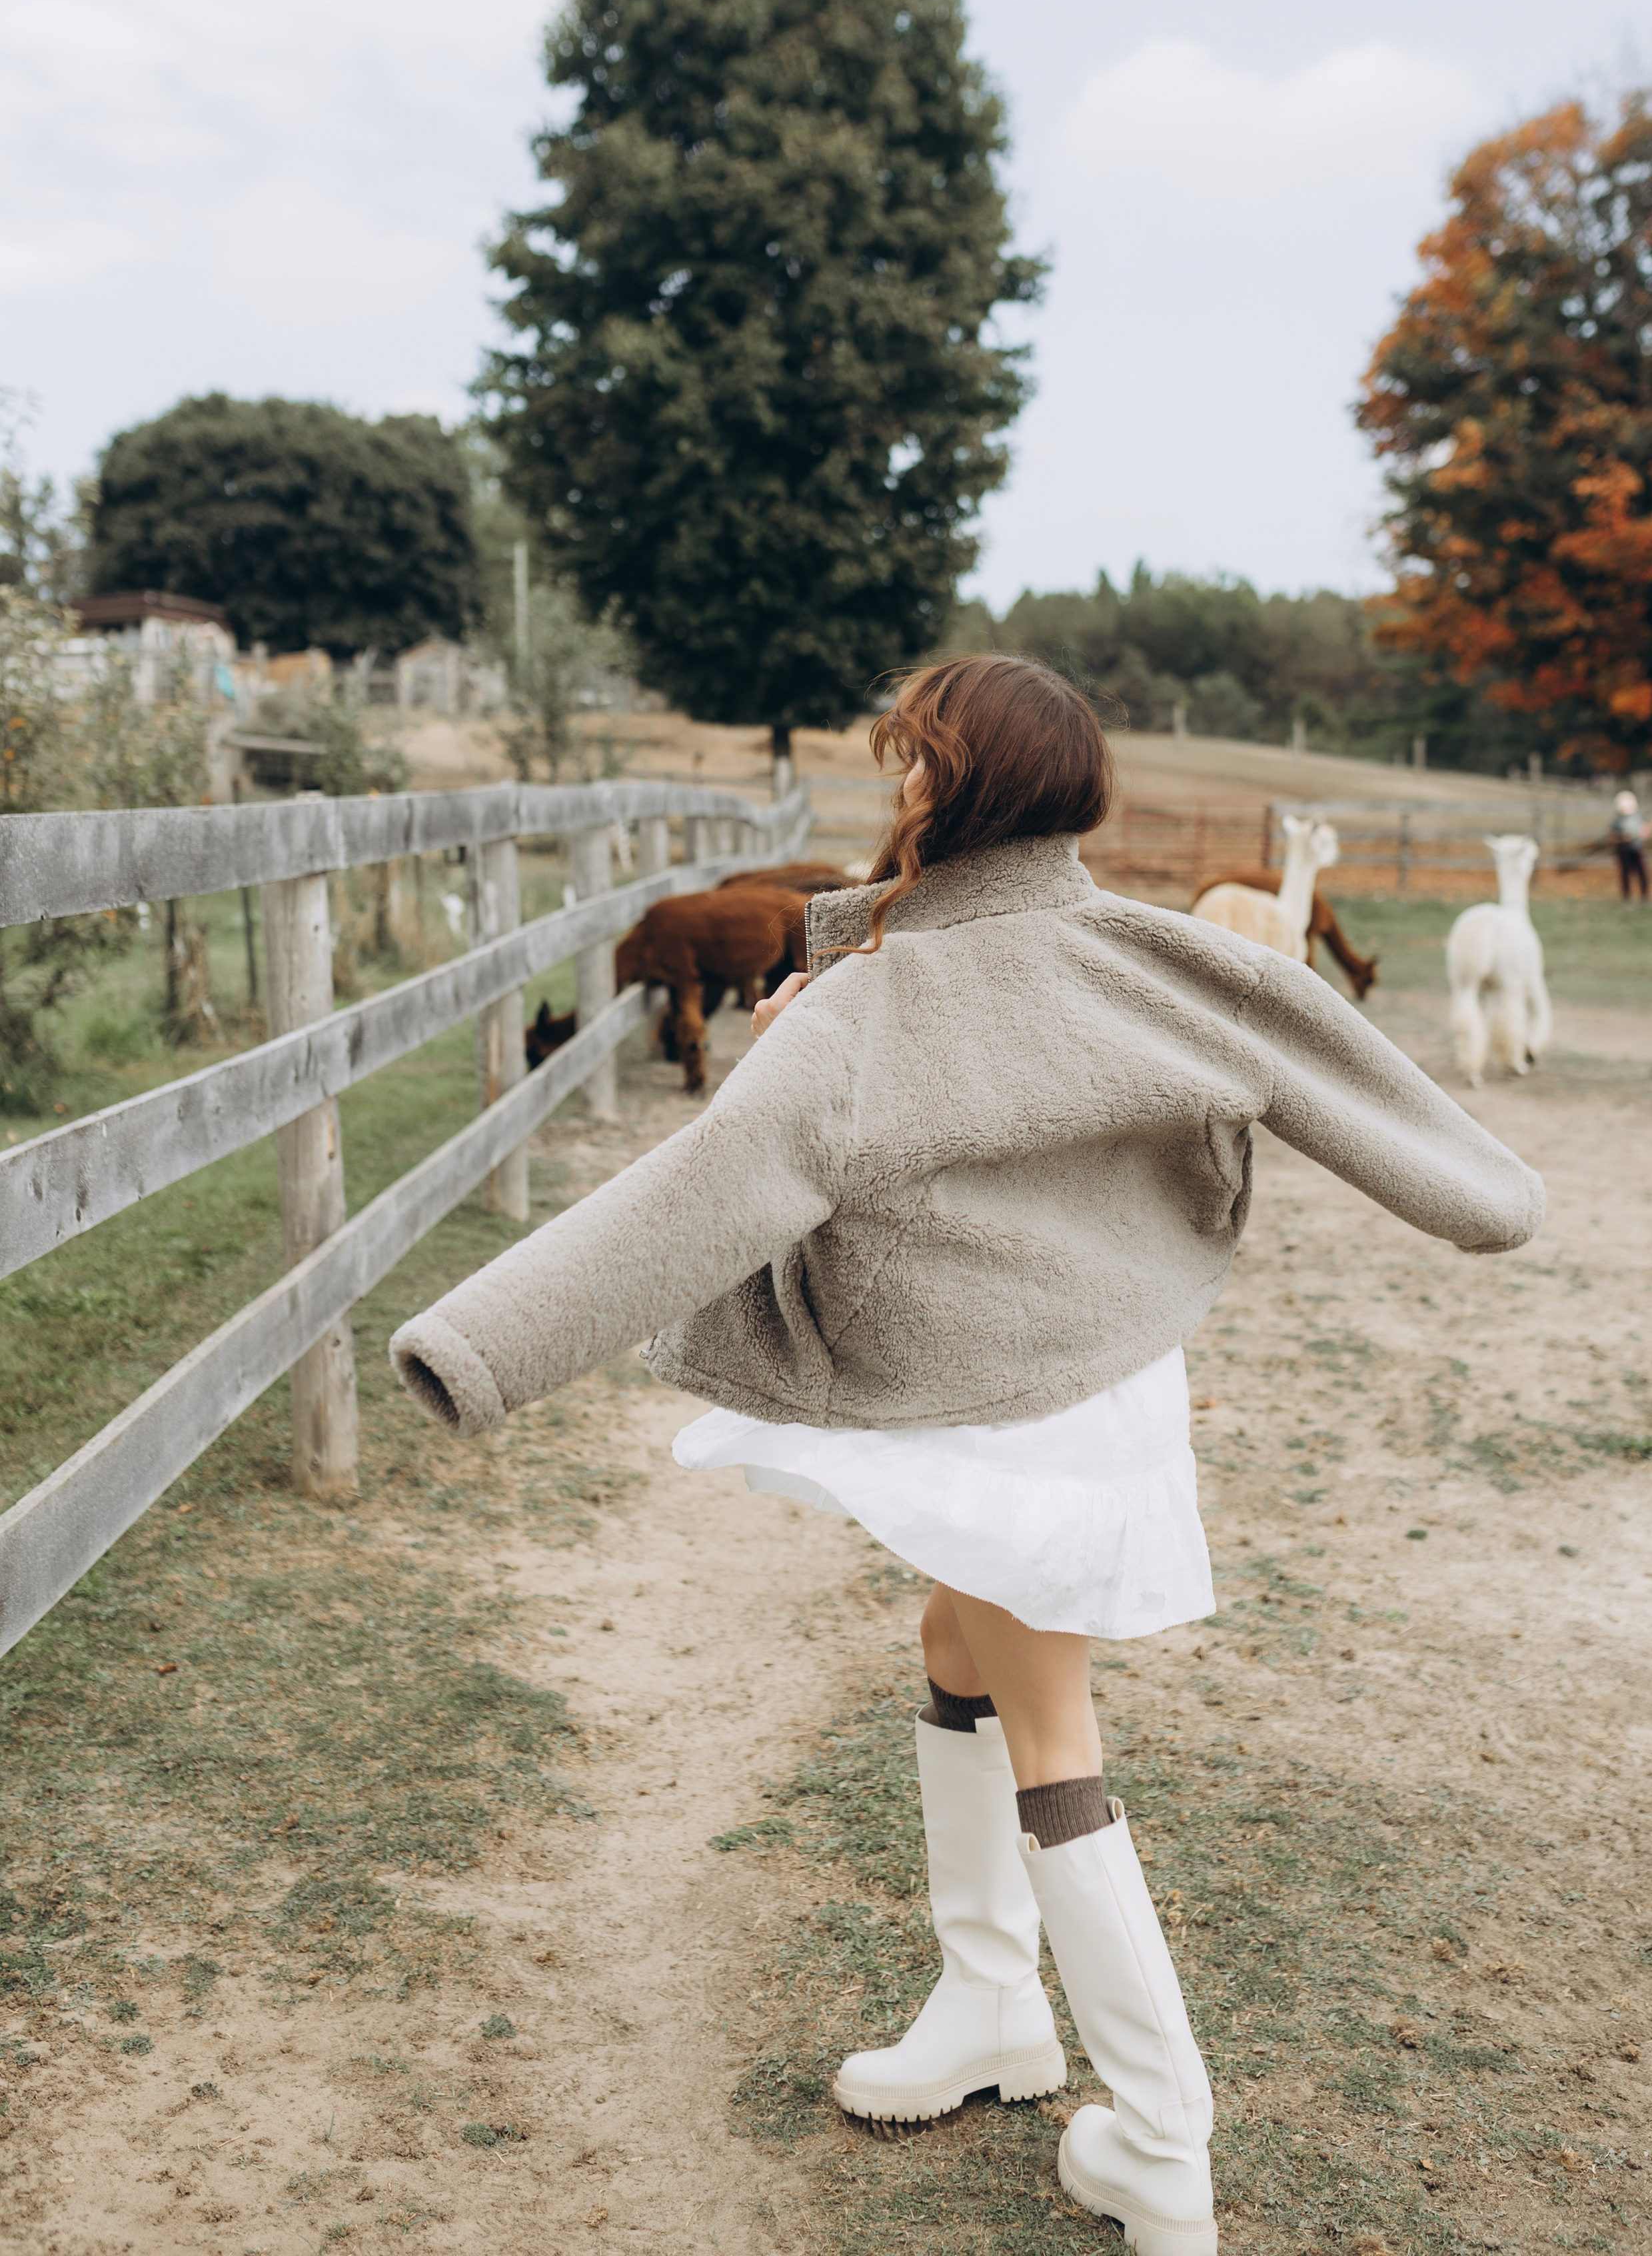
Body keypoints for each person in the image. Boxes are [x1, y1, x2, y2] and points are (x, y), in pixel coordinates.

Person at [390, 656, 1543, 2255]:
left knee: (1052, 1738)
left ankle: (1160, 2138)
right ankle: (988, 2001)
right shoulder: (1150, 955)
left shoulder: (871, 1011)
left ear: (945, 788)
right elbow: (1375, 1105)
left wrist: (476, 1344)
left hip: (986, 1413)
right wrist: (1478, 1182)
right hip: (1103, 1388)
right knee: (954, 1639)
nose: (894, 790)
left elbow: (702, 1187)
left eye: (906, 766)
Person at [1610, 789, 1650, 903]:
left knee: (1642, 873)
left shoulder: (1638, 817)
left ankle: (1645, 896)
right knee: (1625, 874)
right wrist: (1623, 838)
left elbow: (1645, 831)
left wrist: (1643, 834)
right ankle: (1627, 897)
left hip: (1637, 848)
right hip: (1623, 850)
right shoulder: (1616, 821)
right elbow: (1612, 837)